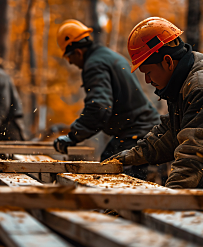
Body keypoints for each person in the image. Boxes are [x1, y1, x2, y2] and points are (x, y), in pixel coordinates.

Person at [109, 16, 203, 189]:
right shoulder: (186, 77)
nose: (147, 80)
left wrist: (169, 202)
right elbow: (172, 133)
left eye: (148, 72)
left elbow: (194, 155)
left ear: (167, 61)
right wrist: (127, 157)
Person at [53, 19, 160, 180]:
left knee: (108, 178)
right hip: (141, 129)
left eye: (68, 57)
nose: (70, 62)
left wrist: (73, 136)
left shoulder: (94, 64)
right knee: (108, 171)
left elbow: (99, 107)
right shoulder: (107, 56)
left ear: (77, 52)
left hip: (136, 132)